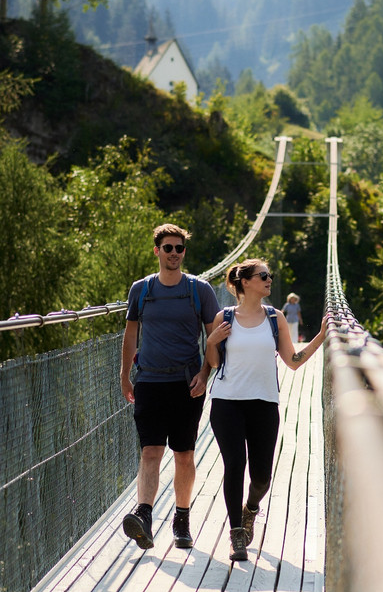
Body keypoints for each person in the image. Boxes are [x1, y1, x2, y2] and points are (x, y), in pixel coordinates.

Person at [204, 259, 328, 561]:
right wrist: (210, 340)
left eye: (269, 275)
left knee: (262, 477)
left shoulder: (275, 318)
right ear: (245, 282)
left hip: (264, 403)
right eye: (263, 275)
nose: (269, 279)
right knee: (234, 464)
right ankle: (236, 535)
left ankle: (252, 507)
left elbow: (293, 361)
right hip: (227, 402)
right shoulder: (226, 317)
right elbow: (215, 362)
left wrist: (321, 336)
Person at [120, 223, 220, 551]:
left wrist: (205, 374)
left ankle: (182, 517)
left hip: (185, 383)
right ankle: (144, 516)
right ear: (157, 251)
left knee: (184, 455)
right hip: (149, 380)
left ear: (184, 253)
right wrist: (124, 375)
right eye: (168, 248)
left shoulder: (199, 290)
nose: (174, 253)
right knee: (150, 451)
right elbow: (131, 333)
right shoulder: (142, 290)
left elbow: (214, 336)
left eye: (179, 248)